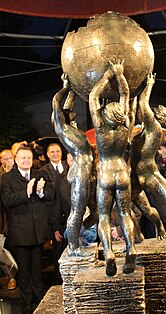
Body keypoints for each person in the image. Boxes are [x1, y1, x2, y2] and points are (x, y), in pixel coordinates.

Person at [130, 73, 166, 250]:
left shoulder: (156, 130)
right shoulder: (141, 129)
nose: (164, 118)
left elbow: (141, 106)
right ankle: (139, 235)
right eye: (162, 115)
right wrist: (145, 86)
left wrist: (146, 87)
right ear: (155, 116)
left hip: (150, 172)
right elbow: (138, 108)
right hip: (134, 174)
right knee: (130, 209)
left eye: (164, 115)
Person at [89, 60, 136, 277]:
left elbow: (93, 97)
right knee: (125, 212)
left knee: (105, 217)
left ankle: (109, 252)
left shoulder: (100, 127)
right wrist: (120, 75)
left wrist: (108, 75)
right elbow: (125, 94)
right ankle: (131, 248)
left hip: (106, 172)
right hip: (122, 171)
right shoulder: (125, 126)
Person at [1, 146, 54, 314]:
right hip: (20, 233)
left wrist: (40, 192)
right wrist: (27, 191)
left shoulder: (39, 174)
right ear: (16, 160)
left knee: (37, 271)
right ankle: (26, 304)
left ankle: (40, 301)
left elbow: (50, 195)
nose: (26, 160)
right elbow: (7, 200)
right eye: (22, 158)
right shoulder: (7, 178)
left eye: (29, 158)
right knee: (24, 273)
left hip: (37, 232)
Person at [52, 76, 98, 256]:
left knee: (95, 213)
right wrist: (65, 87)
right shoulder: (62, 129)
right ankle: (73, 246)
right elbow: (57, 103)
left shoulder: (75, 131)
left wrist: (72, 91)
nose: (73, 114)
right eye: (69, 114)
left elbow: (67, 108)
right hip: (79, 172)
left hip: (88, 172)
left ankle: (78, 233)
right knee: (77, 211)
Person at [40, 143, 69, 282]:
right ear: (47, 154)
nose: (55, 153)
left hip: (70, 213)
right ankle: (59, 278)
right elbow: (47, 196)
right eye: (52, 151)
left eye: (57, 151)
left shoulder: (69, 165)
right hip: (54, 215)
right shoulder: (43, 171)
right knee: (58, 248)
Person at [0, 149, 17, 290]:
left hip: (17, 217)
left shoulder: (18, 173)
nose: (9, 161)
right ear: (1, 161)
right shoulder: (1, 176)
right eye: (5, 159)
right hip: (3, 218)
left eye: (10, 157)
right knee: (4, 249)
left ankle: (17, 276)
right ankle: (10, 277)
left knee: (16, 248)